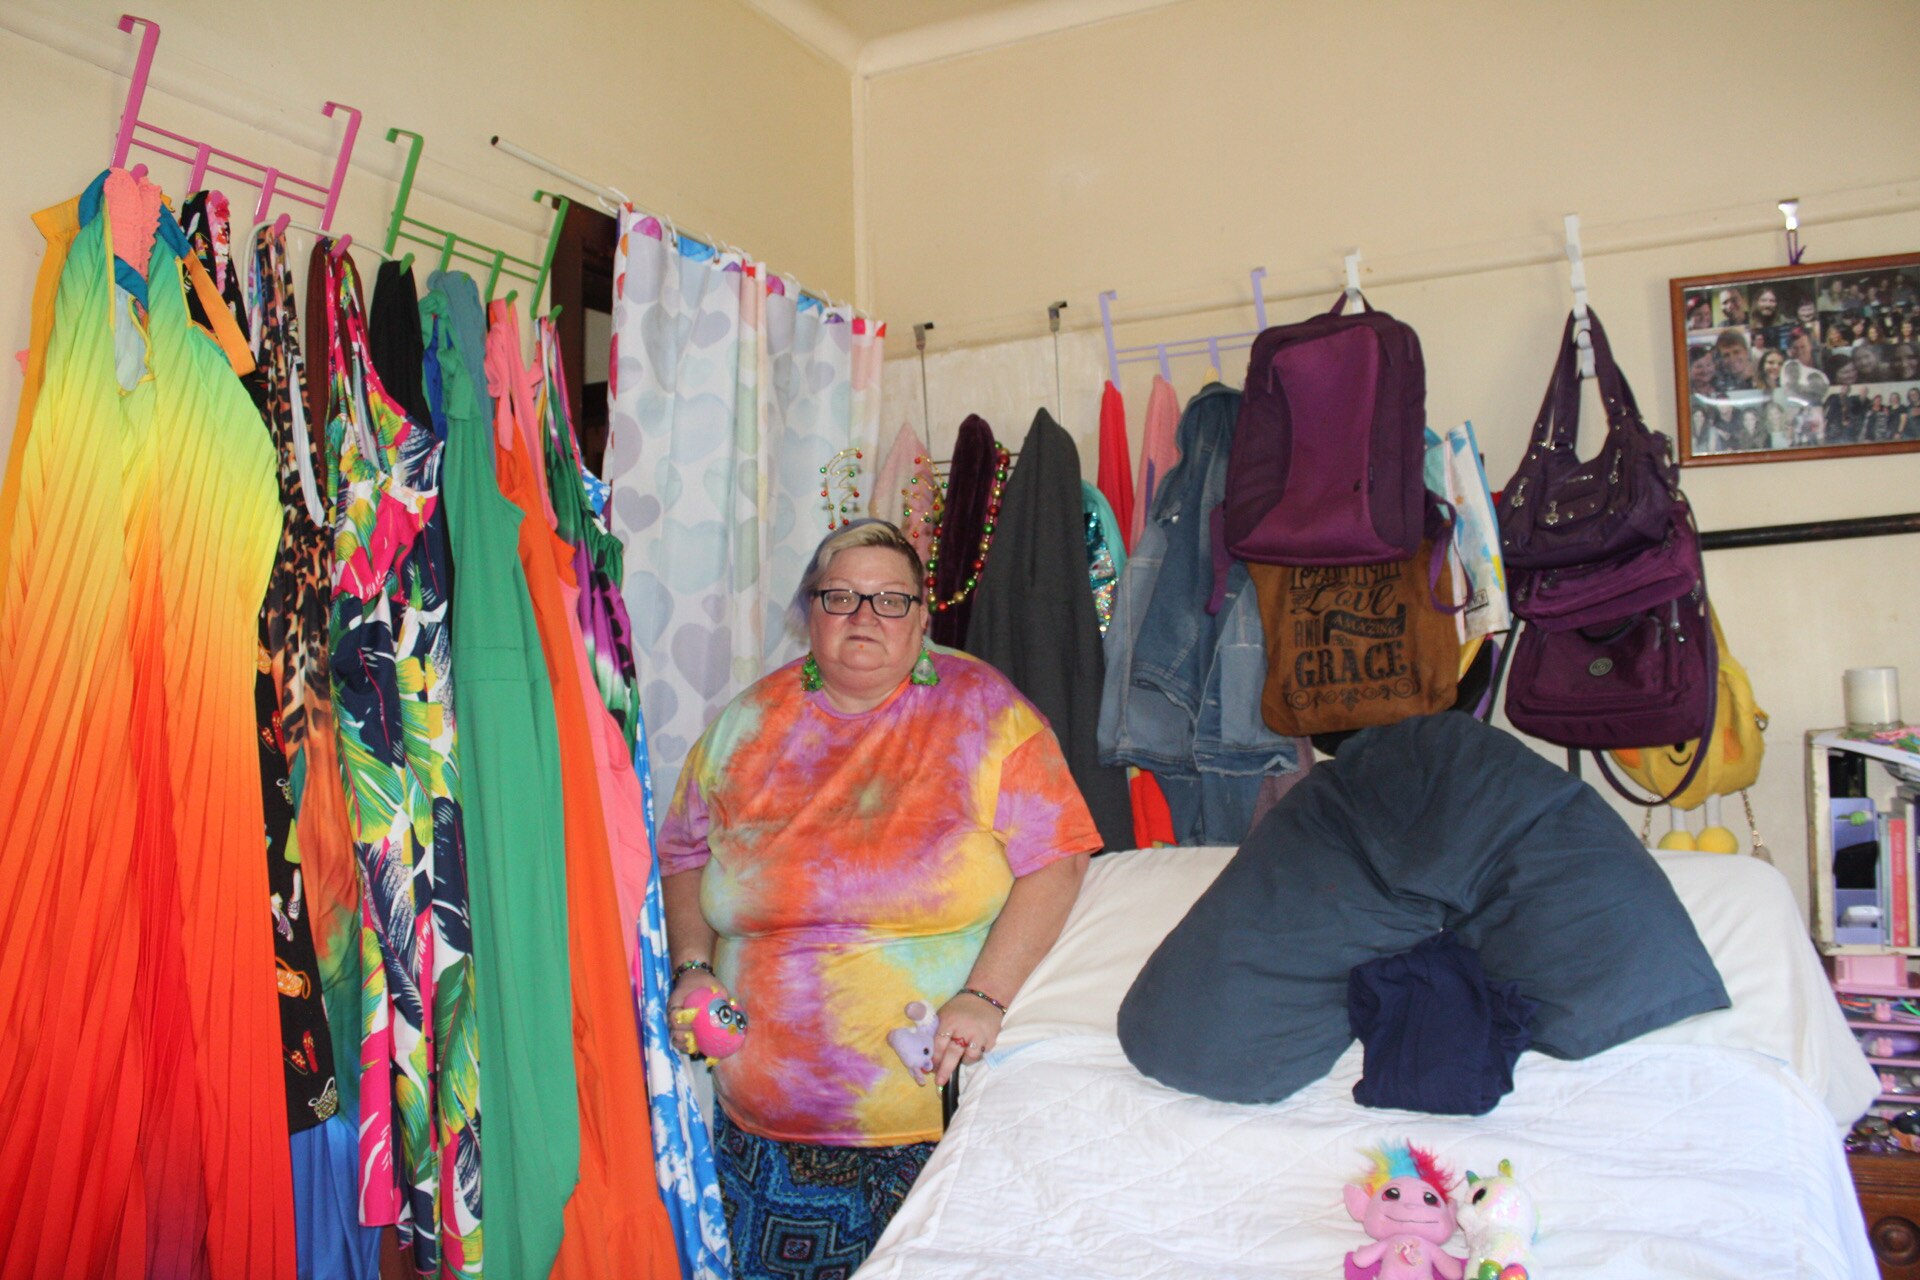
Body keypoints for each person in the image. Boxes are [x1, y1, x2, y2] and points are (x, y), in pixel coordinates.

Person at [658, 518, 1101, 1279]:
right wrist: (693, 966)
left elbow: (1058, 859)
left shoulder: (986, 712)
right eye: (842, 596)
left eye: (891, 599)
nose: (865, 616)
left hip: (935, 1128)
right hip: (763, 1134)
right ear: (811, 611)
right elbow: (683, 853)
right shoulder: (744, 724)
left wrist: (985, 997)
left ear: (924, 618)